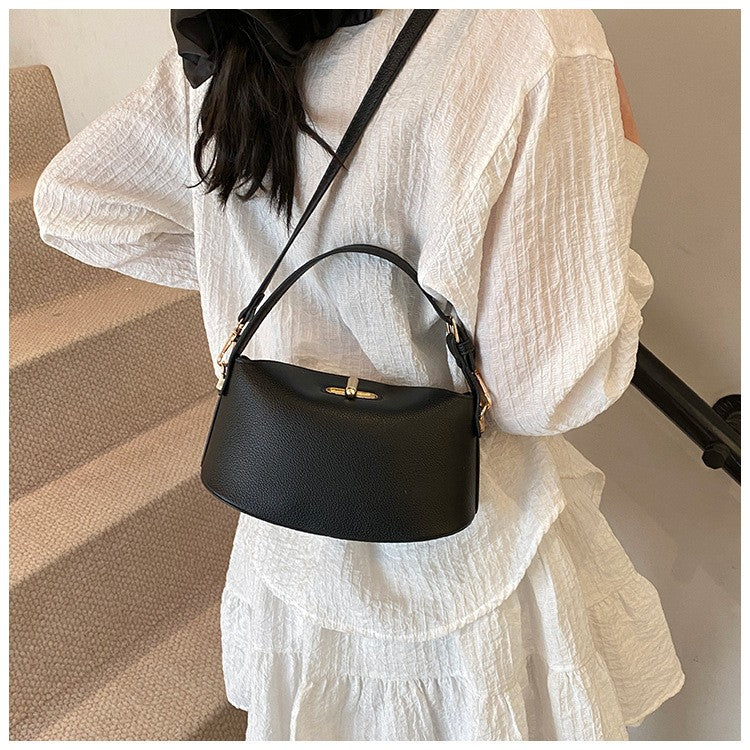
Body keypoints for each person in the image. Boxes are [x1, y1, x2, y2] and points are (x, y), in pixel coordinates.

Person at [33, 8, 685, 741]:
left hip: (290, 541)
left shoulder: (228, 41)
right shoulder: (526, 32)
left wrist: (253, 284)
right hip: (463, 577)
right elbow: (541, 387)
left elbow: (72, 204)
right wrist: (621, 160)